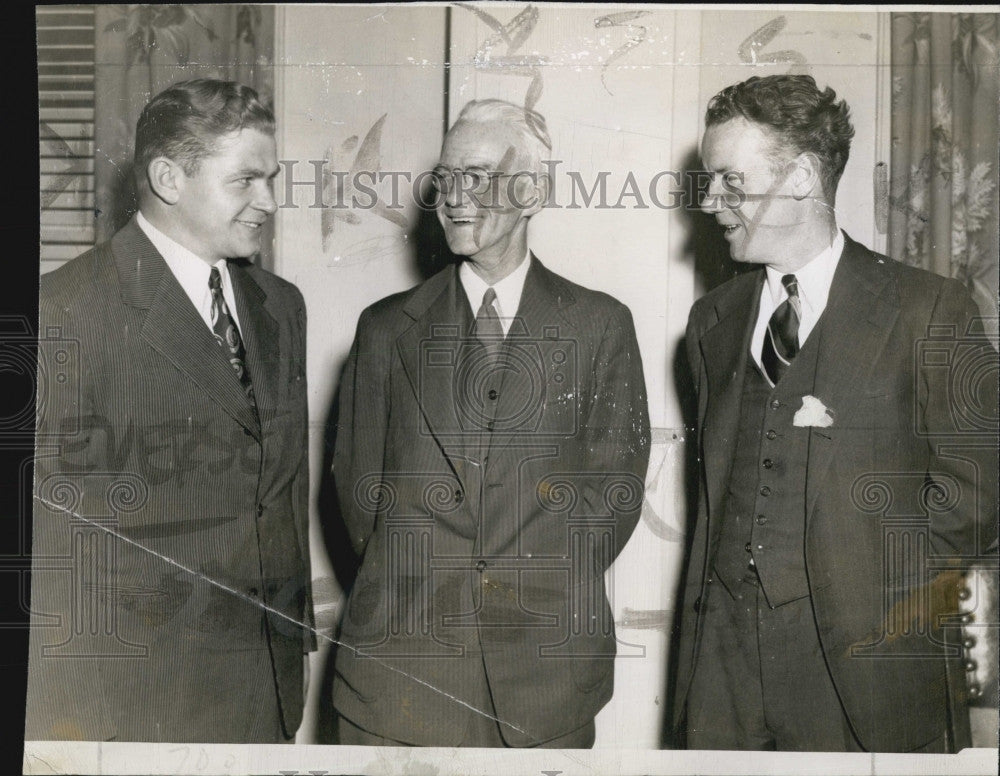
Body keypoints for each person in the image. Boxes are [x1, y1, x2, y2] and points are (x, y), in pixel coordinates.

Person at [672, 74, 998, 752]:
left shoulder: (928, 310)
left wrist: (871, 591)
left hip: (870, 677)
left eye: (732, 181)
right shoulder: (711, 323)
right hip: (723, 683)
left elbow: (978, 495)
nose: (711, 202)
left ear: (801, 177)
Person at [330, 99, 651, 747]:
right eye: (445, 178)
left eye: (477, 175)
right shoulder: (386, 330)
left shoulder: (600, 326)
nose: (453, 196)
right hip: (402, 679)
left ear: (533, 191)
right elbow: (358, 500)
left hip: (544, 688)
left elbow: (613, 501)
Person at [26, 79, 314, 743]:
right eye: (245, 180)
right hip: (137, 705)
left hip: (267, 686)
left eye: (271, 178)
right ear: (167, 177)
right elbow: (51, 550)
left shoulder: (282, 305)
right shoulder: (62, 312)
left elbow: (281, 497)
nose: (268, 201)